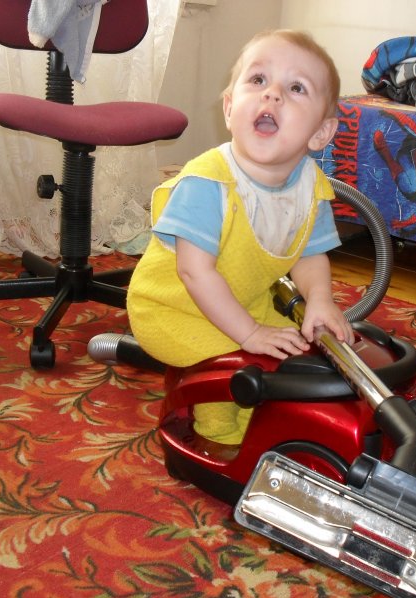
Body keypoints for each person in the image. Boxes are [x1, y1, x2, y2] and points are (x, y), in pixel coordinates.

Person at [127, 29, 353, 445]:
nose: (272, 94)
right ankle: (218, 433)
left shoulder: (311, 186)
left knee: (297, 351)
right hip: (172, 308)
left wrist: (321, 299)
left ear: (321, 133)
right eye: (258, 79)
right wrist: (249, 334)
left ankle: (264, 406)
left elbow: (310, 254)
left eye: (296, 88)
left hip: (242, 300)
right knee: (240, 359)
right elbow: (194, 273)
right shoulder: (208, 182)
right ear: (230, 108)